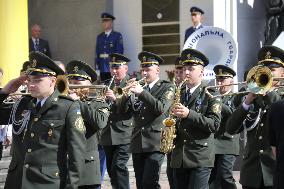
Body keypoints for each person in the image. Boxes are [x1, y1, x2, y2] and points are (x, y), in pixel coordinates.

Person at [0, 52, 86, 189]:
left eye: (37, 80)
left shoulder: (68, 107)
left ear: (53, 81)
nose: (31, 85)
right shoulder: (23, 104)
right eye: (29, 80)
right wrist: (4, 92)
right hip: (17, 181)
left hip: (47, 183)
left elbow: (77, 155)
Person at [226, 45, 284, 189]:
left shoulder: (279, 96)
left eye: (272, 70)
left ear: (283, 74)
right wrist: (247, 102)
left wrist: (267, 91)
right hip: (251, 173)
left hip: (274, 171)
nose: (267, 74)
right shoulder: (252, 94)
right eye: (263, 70)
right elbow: (231, 129)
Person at [119, 51, 175, 189]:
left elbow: (160, 108)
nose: (144, 73)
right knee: (140, 184)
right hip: (138, 142)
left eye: (148, 69)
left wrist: (142, 93)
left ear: (157, 70)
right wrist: (126, 96)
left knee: (149, 182)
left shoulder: (167, 86)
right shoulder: (139, 87)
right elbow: (122, 111)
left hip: (156, 142)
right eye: (142, 69)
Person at [170, 48, 222, 189]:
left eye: (191, 69)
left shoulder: (211, 93)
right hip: (179, 156)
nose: (186, 72)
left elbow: (214, 125)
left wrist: (189, 114)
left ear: (202, 72)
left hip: (200, 157)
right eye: (185, 68)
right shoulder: (178, 92)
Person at [66, 60, 110, 189]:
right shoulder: (63, 102)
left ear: (89, 84)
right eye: (71, 83)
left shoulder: (98, 102)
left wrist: (78, 103)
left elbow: (100, 122)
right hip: (65, 166)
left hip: (87, 167)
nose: (73, 87)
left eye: (77, 83)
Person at [100, 53, 133, 189]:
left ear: (125, 68)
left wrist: (115, 99)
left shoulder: (132, 84)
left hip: (124, 133)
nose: (114, 71)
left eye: (117, 67)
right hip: (108, 133)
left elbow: (130, 107)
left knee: (119, 166)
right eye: (112, 67)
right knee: (111, 169)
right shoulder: (106, 84)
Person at [209, 65, 239, 189]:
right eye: (218, 80)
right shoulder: (213, 96)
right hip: (212, 142)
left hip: (228, 142)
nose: (219, 83)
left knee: (224, 175)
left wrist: (217, 101)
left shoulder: (236, 97)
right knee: (211, 179)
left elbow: (235, 115)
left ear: (231, 81)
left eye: (223, 80)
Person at [95, 12, 124, 82]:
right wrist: (97, 69)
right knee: (103, 87)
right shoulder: (100, 37)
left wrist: (116, 67)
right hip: (102, 67)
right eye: (103, 21)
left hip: (112, 67)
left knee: (112, 87)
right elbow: (97, 53)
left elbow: (119, 52)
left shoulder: (117, 35)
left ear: (111, 23)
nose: (104, 23)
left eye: (107, 21)